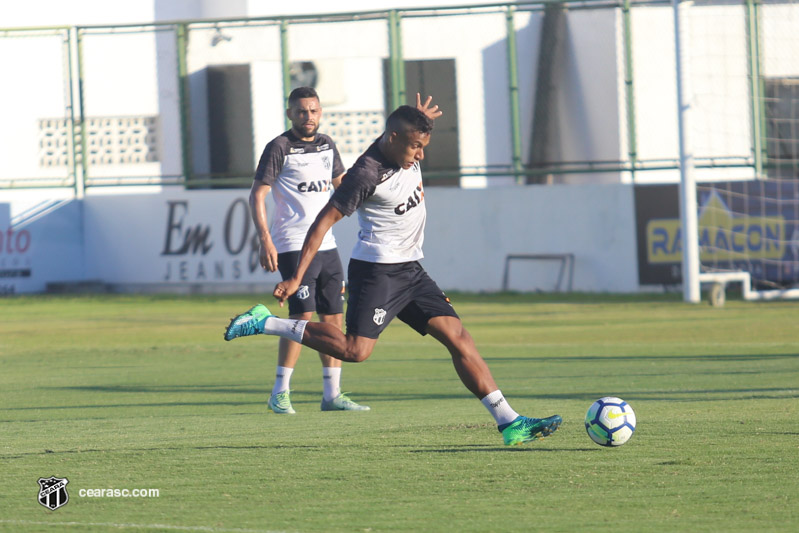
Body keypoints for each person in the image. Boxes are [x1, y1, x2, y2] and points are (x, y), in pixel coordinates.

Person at [226, 95, 561, 445]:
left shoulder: (400, 144)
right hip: (377, 272)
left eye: (423, 146)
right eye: (415, 146)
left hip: (411, 269)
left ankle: (510, 422)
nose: (420, 155)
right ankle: (265, 322)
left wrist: (421, 118)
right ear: (393, 138)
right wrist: (295, 277)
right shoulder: (365, 175)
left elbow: (410, 132)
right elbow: (321, 225)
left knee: (458, 337)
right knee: (356, 351)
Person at [248, 86, 369, 414]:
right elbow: (257, 195)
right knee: (300, 317)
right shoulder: (279, 147)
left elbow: (341, 184)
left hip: (327, 244)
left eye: (313, 110)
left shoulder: (327, 144)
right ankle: (280, 392)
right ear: (290, 114)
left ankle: (332, 394)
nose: (308, 117)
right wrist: (265, 239)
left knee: (332, 318)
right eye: (302, 111)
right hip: (292, 245)